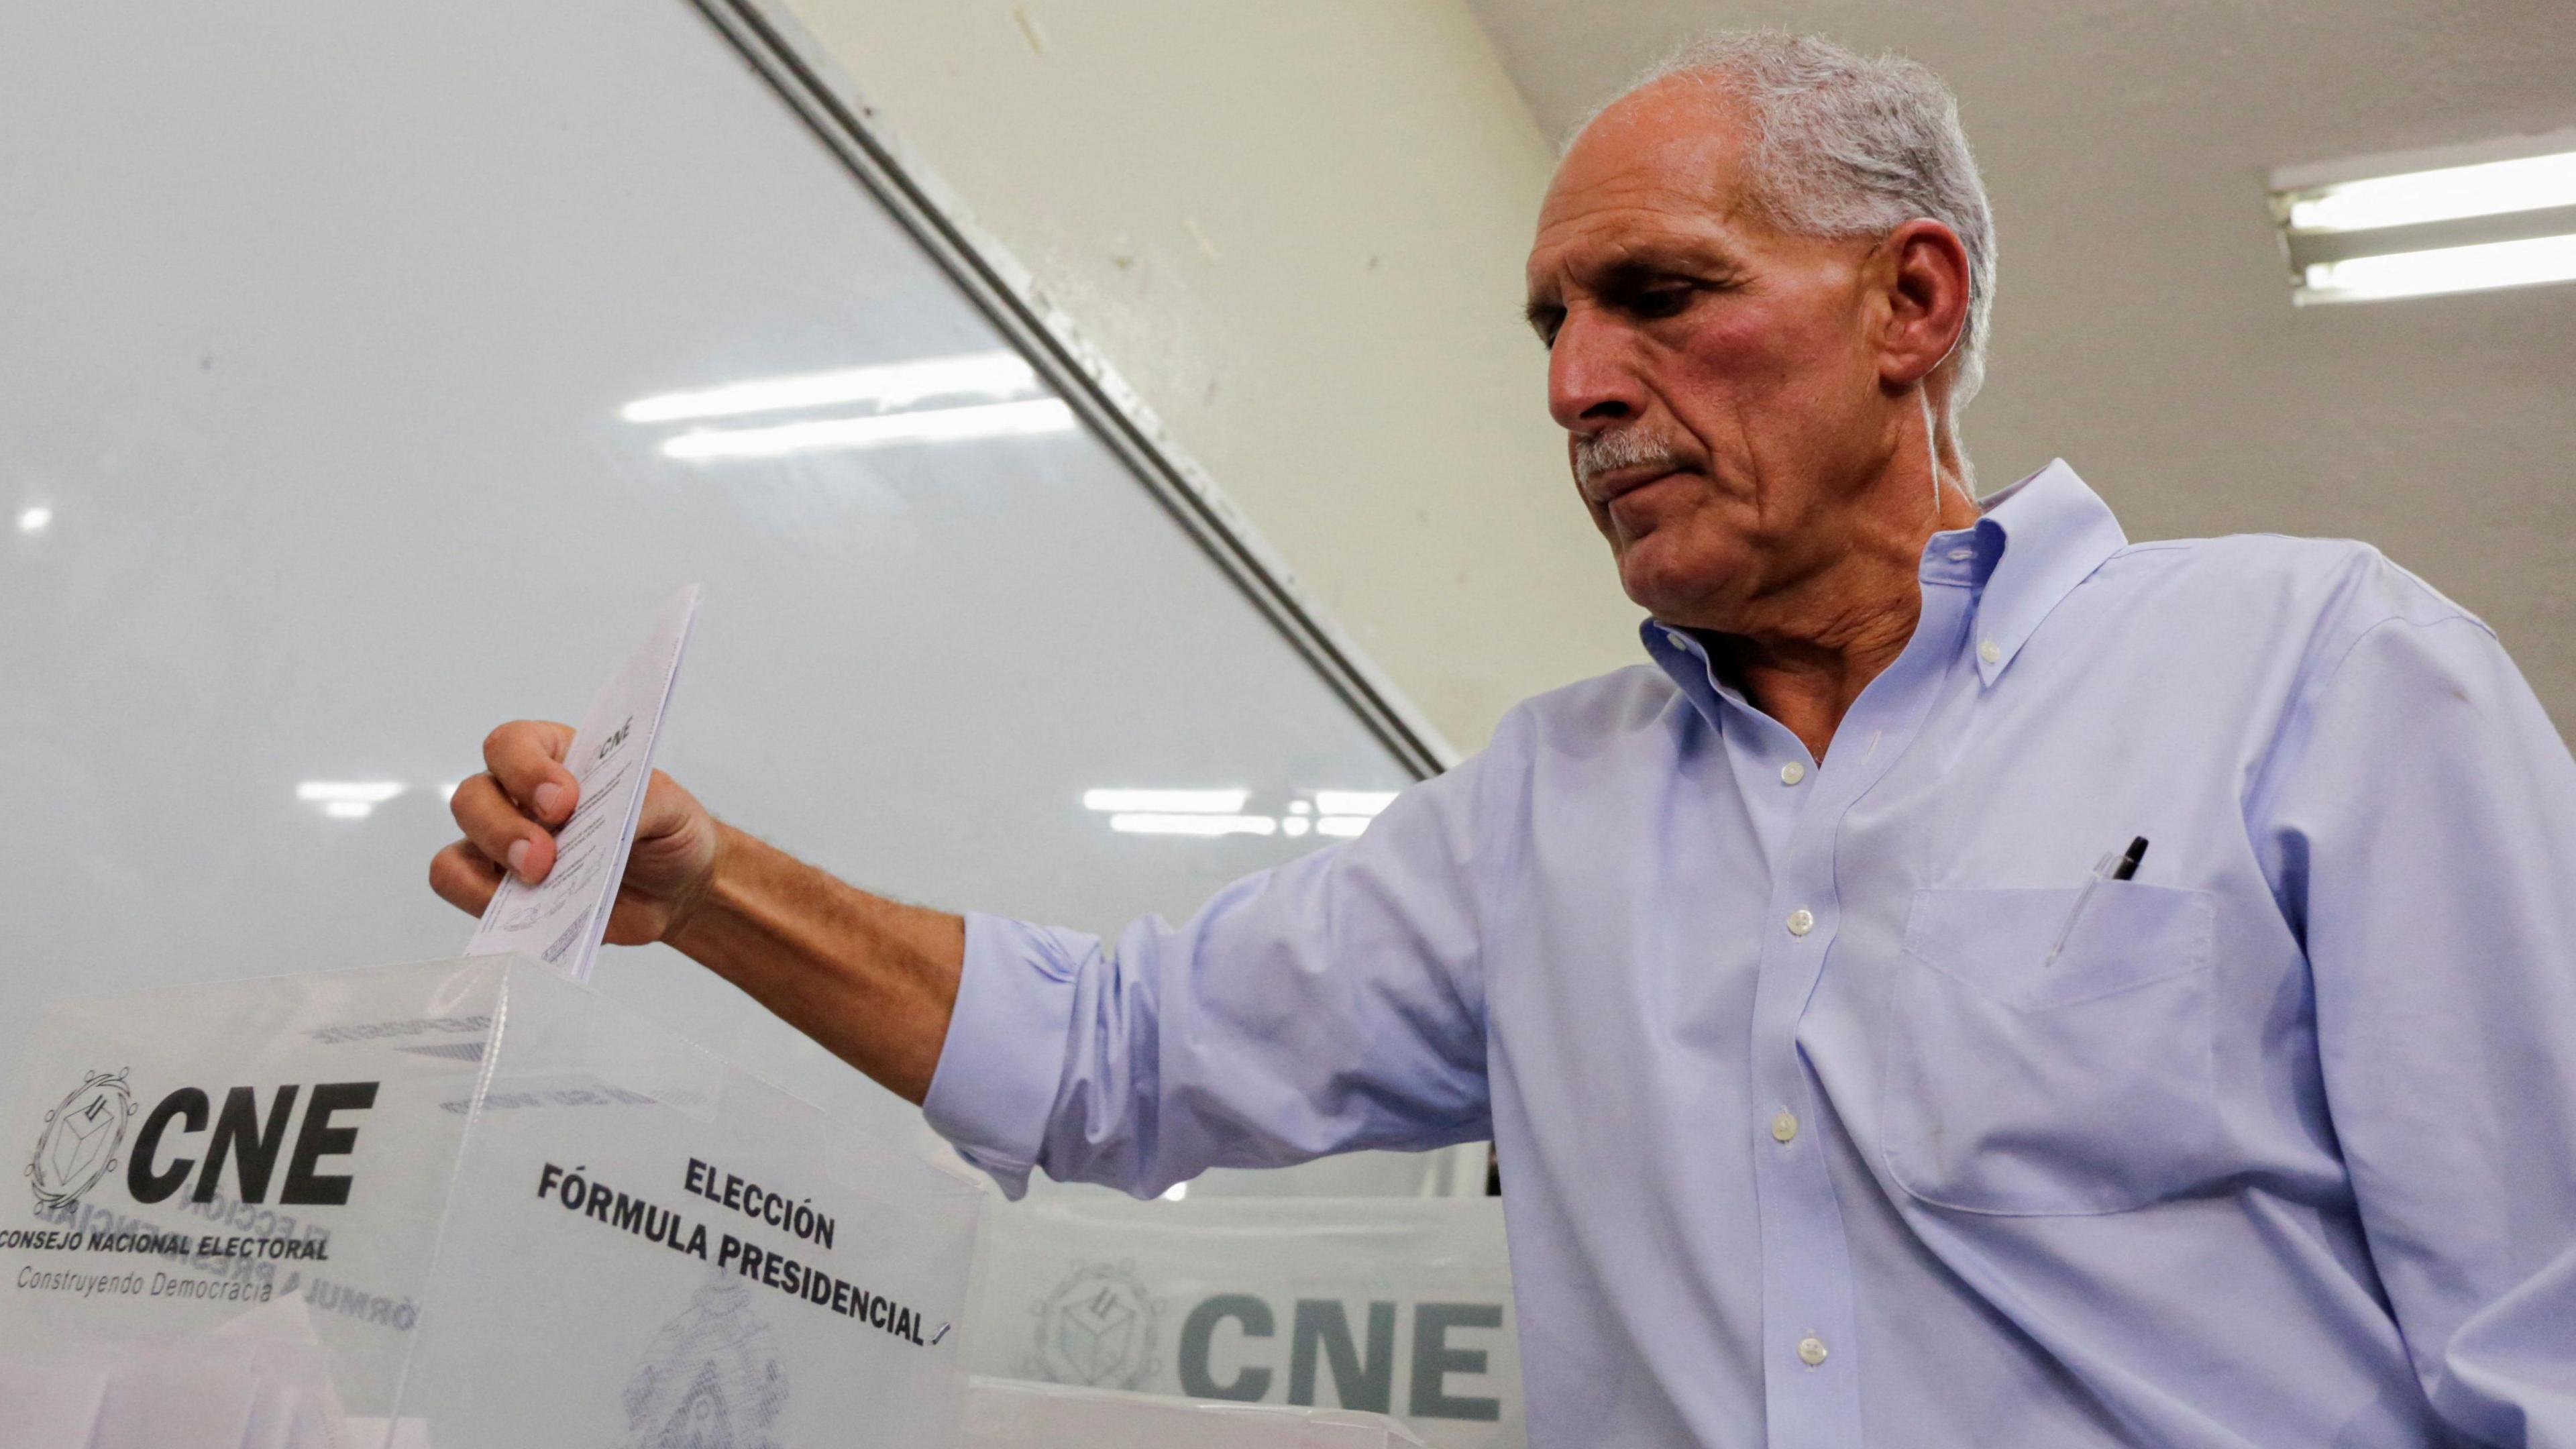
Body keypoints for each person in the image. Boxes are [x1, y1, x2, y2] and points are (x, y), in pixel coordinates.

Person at [431, 31, 2576, 1448]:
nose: (1575, 383)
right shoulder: (1536, 820)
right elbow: (1111, 1056)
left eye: (1653, 293)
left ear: (1910, 307)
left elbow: (2539, 1337)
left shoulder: (2318, 675)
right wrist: (704, 894)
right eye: (1550, 325)